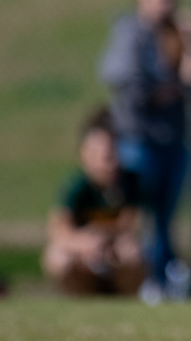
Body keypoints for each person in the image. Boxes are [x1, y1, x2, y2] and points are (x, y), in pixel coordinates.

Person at [100, 0, 191, 304]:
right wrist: (170, 90)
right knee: (139, 215)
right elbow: (130, 85)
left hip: (173, 140)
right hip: (138, 139)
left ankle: (163, 279)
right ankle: (150, 278)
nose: (164, 1)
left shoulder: (175, 36)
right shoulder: (131, 32)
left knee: (164, 216)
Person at [44, 108, 148, 296]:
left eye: (115, 154)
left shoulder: (128, 183)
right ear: (86, 154)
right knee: (58, 259)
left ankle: (125, 300)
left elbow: (130, 223)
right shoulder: (77, 187)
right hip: (83, 254)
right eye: (106, 156)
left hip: (111, 251)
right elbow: (58, 229)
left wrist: (104, 240)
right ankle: (80, 299)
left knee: (131, 253)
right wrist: (84, 243)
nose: (112, 163)